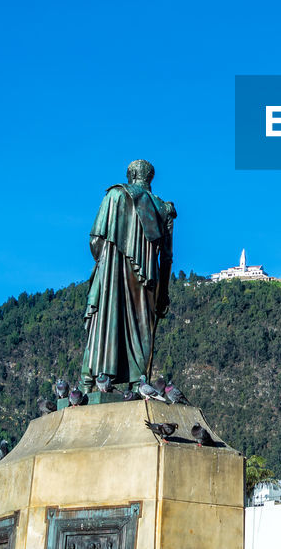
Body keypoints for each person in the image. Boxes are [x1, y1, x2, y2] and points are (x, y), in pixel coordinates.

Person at [81, 159, 177, 390]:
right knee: (141, 325)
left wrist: (105, 261)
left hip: (113, 270)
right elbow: (167, 257)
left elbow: (96, 241)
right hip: (147, 280)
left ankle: (99, 374)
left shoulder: (115, 196)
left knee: (107, 319)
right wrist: (163, 293)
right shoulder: (164, 209)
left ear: (131, 175)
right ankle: (137, 380)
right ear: (150, 178)